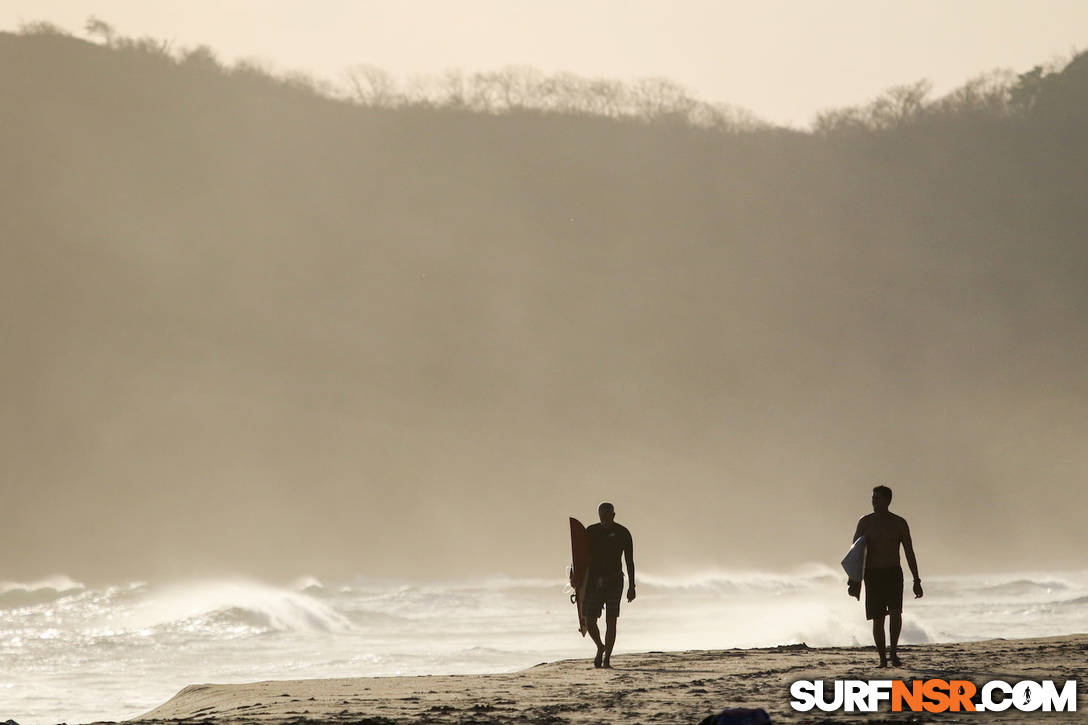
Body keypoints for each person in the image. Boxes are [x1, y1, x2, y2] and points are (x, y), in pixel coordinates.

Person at [851, 485, 923, 668]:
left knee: (896, 613)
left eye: (878, 498)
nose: (874, 501)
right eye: (873, 498)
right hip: (873, 574)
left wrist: (916, 580)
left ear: (888, 500)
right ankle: (882, 659)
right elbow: (855, 552)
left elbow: (909, 552)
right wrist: (854, 579)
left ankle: (893, 653)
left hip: (893, 573)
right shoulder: (865, 522)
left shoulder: (899, 523)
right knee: (878, 617)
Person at [583, 502, 635, 668]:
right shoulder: (591, 531)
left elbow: (629, 561)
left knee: (611, 621)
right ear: (598, 515)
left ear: (613, 515)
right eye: (601, 515)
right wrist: (575, 576)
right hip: (594, 582)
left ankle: (607, 659)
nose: (604, 518)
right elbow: (580, 556)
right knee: (589, 620)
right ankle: (600, 646)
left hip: (614, 581)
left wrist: (632, 586)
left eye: (607, 515)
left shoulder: (623, 533)